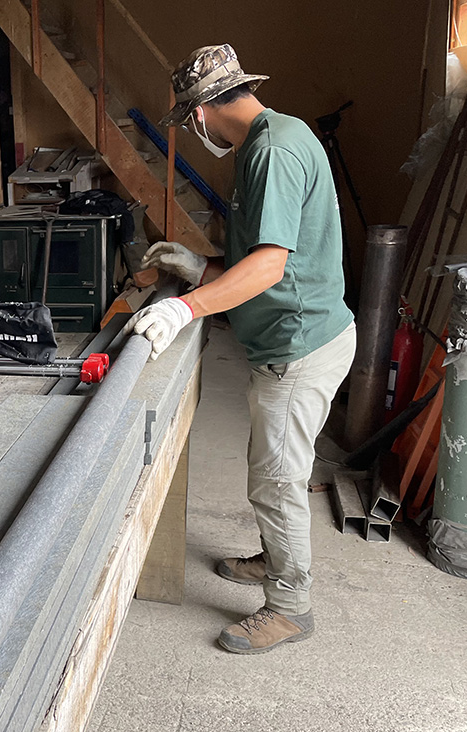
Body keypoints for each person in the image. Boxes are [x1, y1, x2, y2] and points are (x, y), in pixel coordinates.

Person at [127, 45, 356, 654]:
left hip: (298, 344)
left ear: (199, 115)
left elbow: (270, 266)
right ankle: (275, 559)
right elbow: (261, 255)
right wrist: (199, 267)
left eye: (188, 122)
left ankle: (290, 607)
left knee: (277, 480)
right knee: (271, 469)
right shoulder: (274, 136)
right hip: (290, 336)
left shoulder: (273, 152)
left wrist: (184, 305)